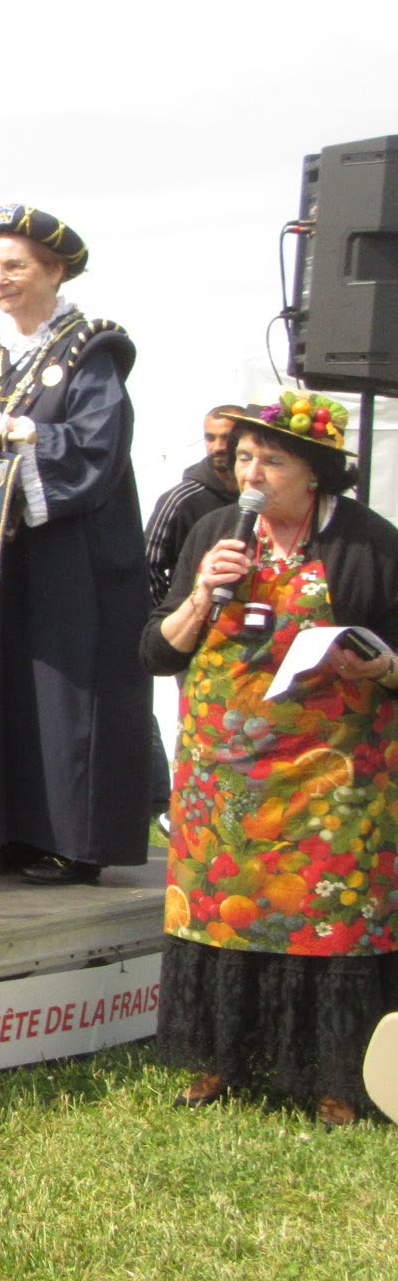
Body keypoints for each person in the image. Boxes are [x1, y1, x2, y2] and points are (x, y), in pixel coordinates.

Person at [144, 392, 398, 1125]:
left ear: (314, 474)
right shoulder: (218, 531)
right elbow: (158, 650)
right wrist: (199, 594)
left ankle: (334, 1077)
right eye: (244, 458)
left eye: (271, 461)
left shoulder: (370, 543)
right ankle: (218, 1060)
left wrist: (375, 668)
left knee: (330, 917)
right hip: (226, 778)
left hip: (332, 778)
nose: (251, 474)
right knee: (220, 916)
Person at [0, 205, 155, 884]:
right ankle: (6, 831)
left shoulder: (92, 347)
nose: (0, 280)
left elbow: (96, 446)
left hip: (68, 552)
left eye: (15, 266)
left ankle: (75, 844)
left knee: (62, 692)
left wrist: (17, 432)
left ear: (56, 269)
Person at [145, 405, 245, 604]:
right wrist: (169, 612)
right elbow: (146, 565)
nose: (218, 447)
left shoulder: (263, 495)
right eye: (210, 438)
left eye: (226, 437)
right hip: (193, 618)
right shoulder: (181, 499)